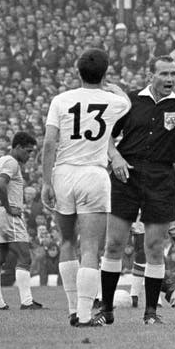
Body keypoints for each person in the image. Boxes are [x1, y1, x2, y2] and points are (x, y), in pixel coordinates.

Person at [100, 54, 175, 325]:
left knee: (154, 246)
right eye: (164, 74)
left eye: (173, 74)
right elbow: (106, 135)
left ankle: (151, 313)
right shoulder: (130, 101)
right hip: (127, 175)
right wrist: (115, 157)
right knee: (114, 244)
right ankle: (106, 309)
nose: (170, 79)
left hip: (161, 177)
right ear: (150, 76)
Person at [42, 48, 131, 327]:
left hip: (64, 172)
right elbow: (128, 104)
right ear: (104, 74)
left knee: (67, 242)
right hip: (93, 174)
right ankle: (83, 314)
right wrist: (114, 87)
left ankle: (71, 308)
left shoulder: (60, 100)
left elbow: (48, 144)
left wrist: (46, 181)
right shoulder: (114, 102)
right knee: (91, 247)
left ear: (77, 72)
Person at [0, 132, 43, 310]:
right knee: (24, 256)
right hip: (9, 214)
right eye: (27, 151)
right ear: (17, 147)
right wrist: (9, 206)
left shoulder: (0, 162)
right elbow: (1, 184)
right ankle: (26, 302)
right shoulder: (11, 162)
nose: (29, 155)